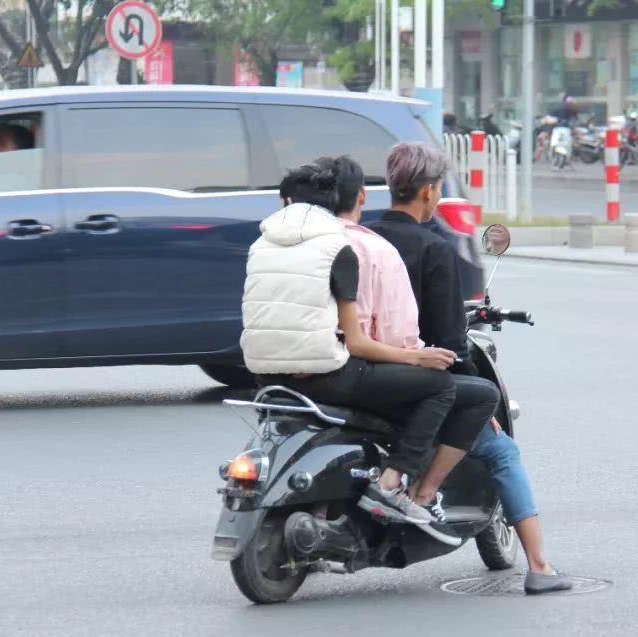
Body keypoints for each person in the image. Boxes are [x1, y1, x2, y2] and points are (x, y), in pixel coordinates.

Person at [240, 164, 496, 544]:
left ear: (284, 202)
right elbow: (358, 343)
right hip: (328, 378)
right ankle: (395, 486)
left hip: (265, 377)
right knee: (444, 387)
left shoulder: (260, 247)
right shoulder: (339, 250)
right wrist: (417, 358)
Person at [366, 142, 573, 594]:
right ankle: (539, 566)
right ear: (426, 191)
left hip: (357, 372)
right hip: (413, 380)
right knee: (498, 445)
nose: (438, 195)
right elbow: (449, 340)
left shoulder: (362, 237)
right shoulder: (433, 249)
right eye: (438, 187)